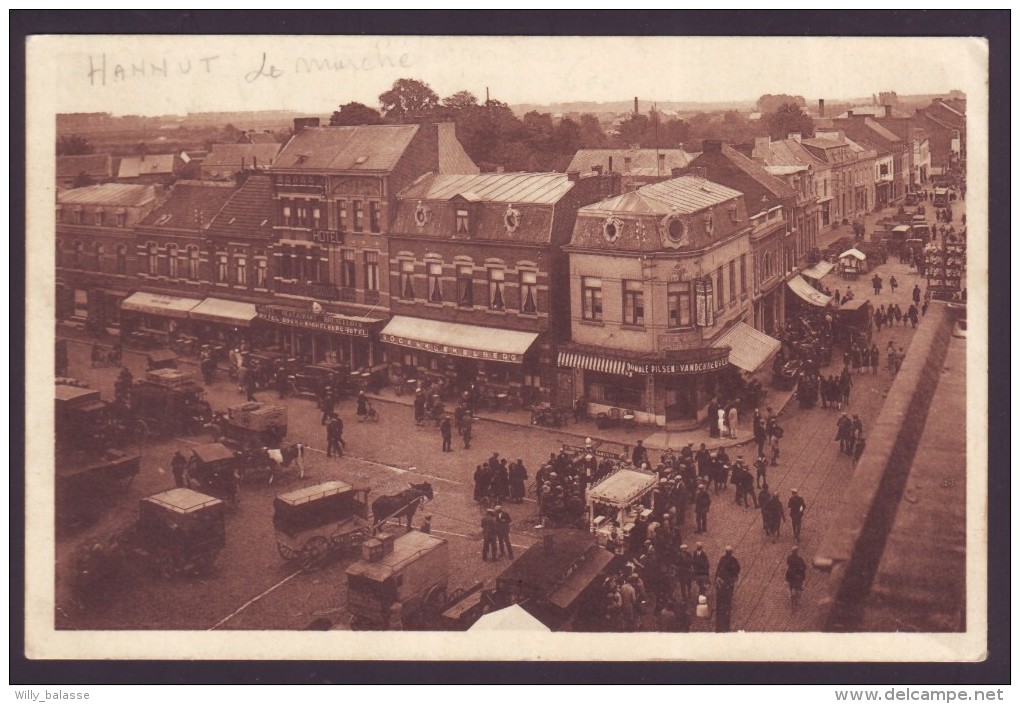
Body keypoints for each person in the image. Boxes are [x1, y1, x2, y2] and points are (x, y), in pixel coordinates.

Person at [714, 546, 741, 632]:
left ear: (725, 552)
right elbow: (738, 569)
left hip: (722, 582)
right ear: (731, 552)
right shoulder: (734, 560)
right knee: (728, 596)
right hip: (729, 583)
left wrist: (716, 578)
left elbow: (718, 569)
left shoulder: (722, 559)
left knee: (721, 597)